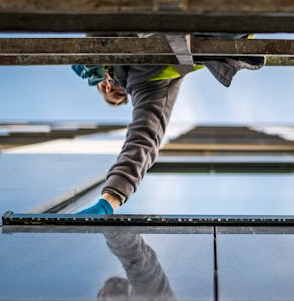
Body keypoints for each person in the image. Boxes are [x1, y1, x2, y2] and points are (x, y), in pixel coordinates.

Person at [73, 40, 263, 214]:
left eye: (103, 87)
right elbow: (143, 140)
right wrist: (108, 202)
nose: (109, 88)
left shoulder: (105, 53)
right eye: (116, 95)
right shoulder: (146, 85)